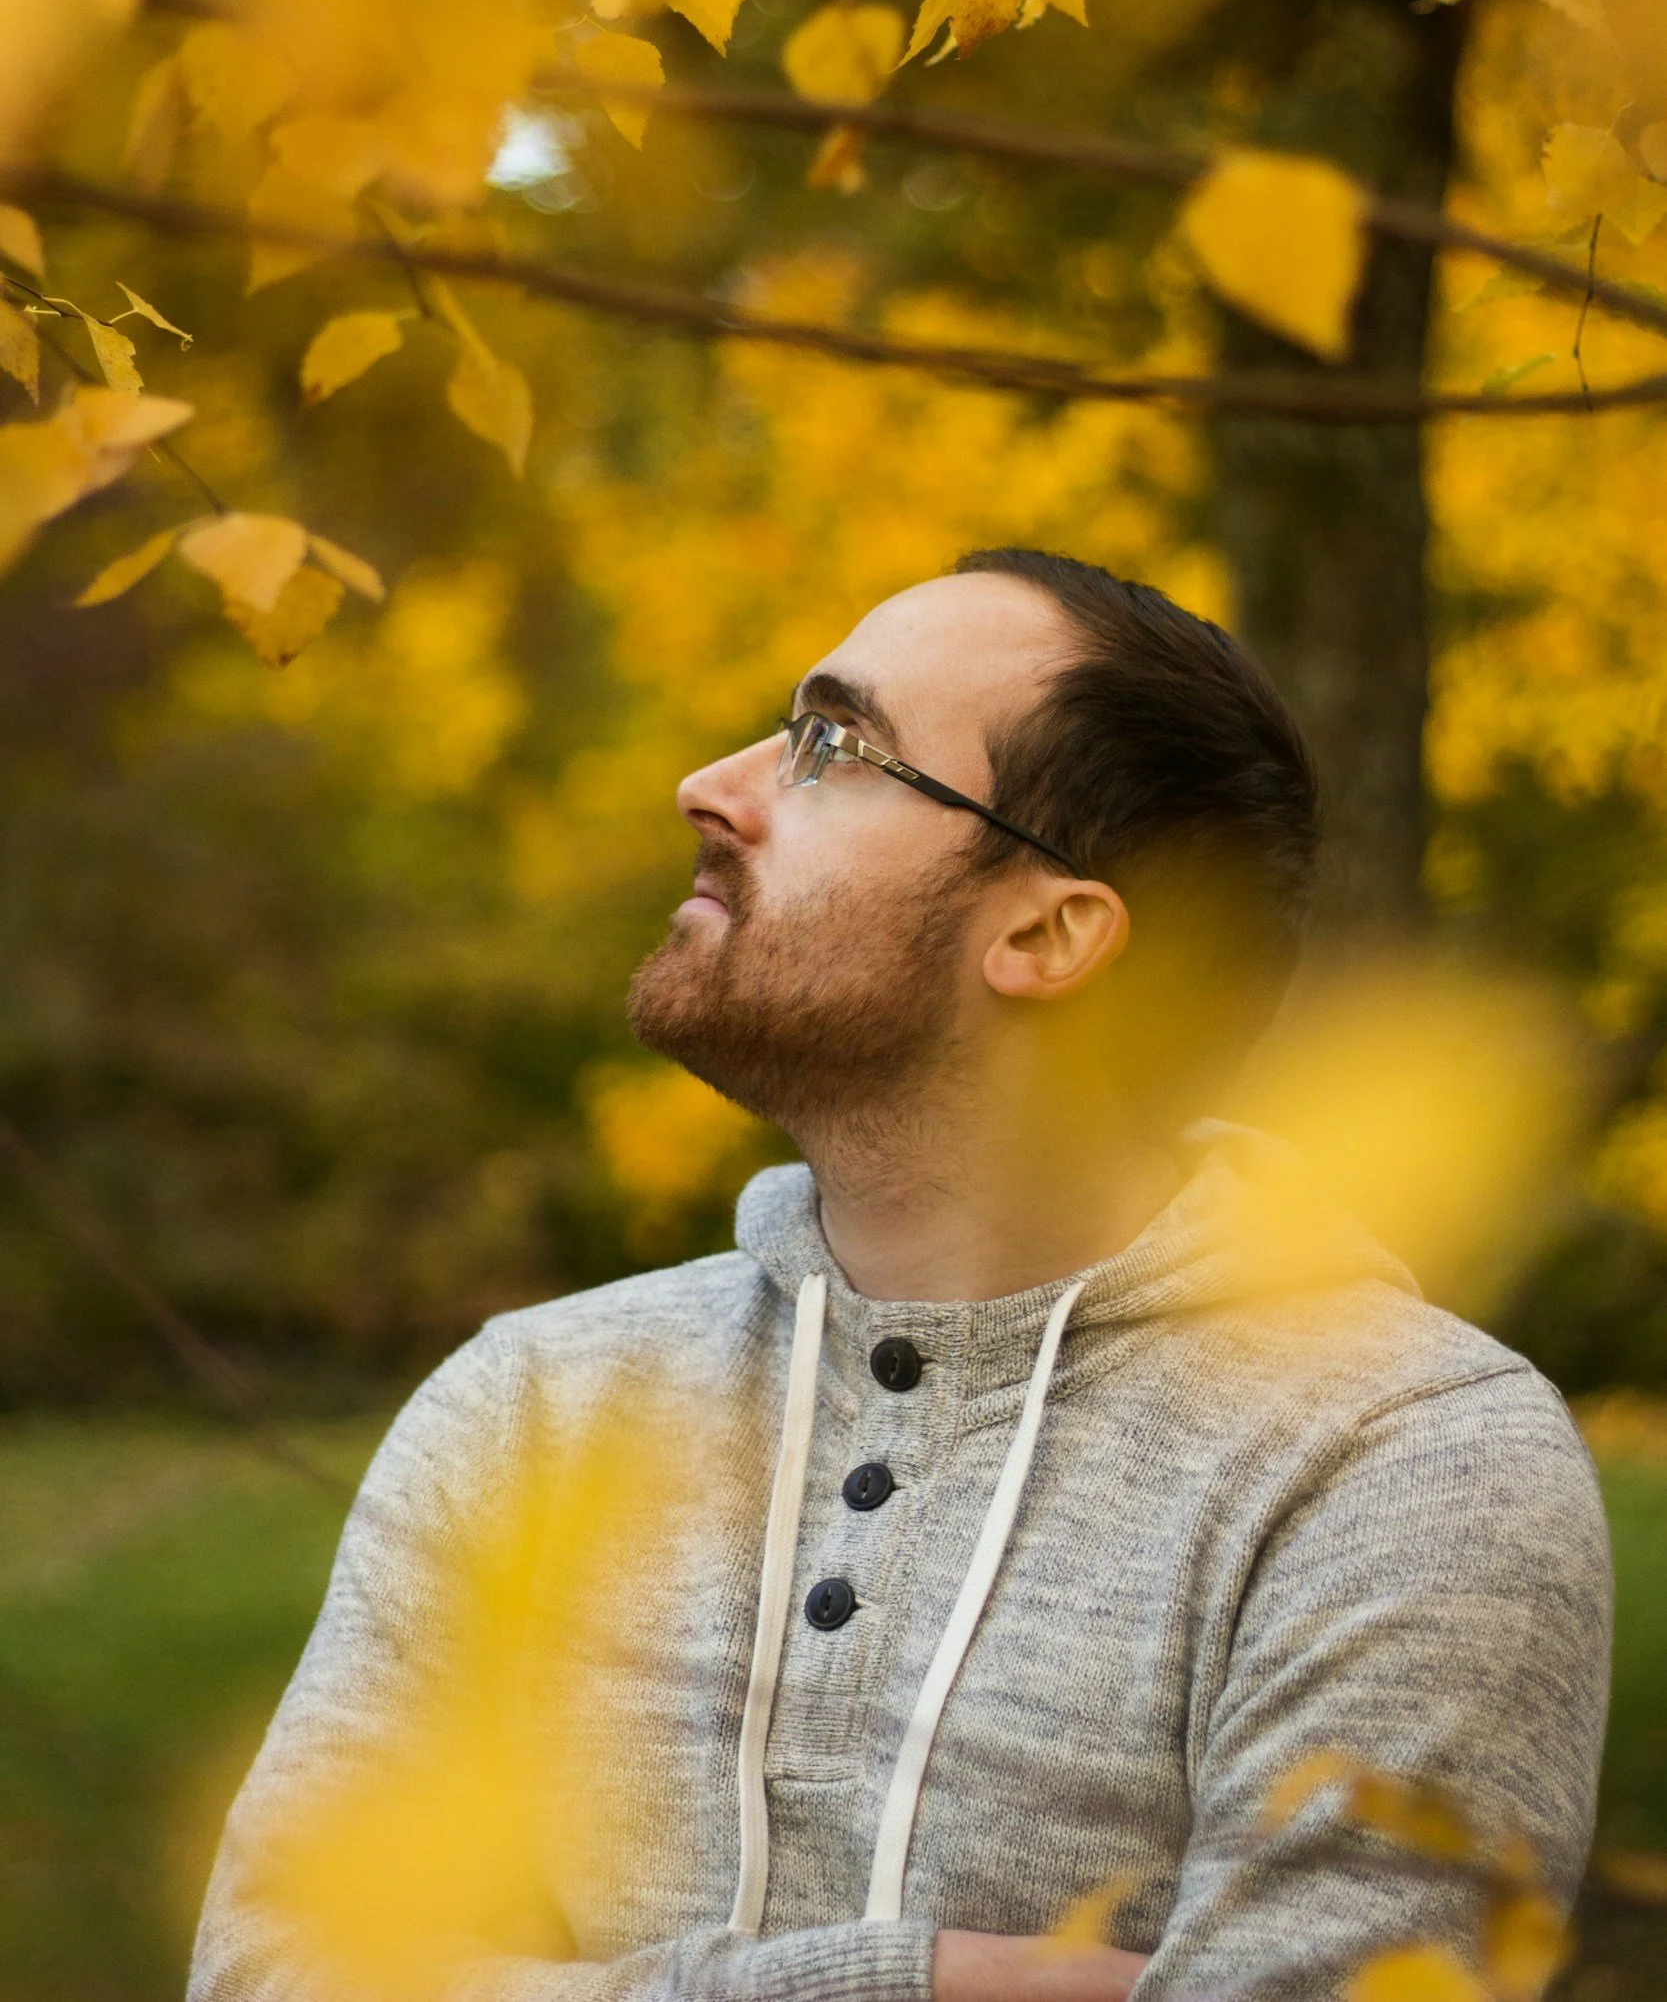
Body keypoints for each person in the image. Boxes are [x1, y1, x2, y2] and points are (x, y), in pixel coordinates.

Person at [190, 549, 1611, 2002]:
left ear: (1047, 934)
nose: (710, 784)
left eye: (832, 746)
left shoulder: (1398, 1460)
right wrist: (906, 1986)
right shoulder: (542, 1406)